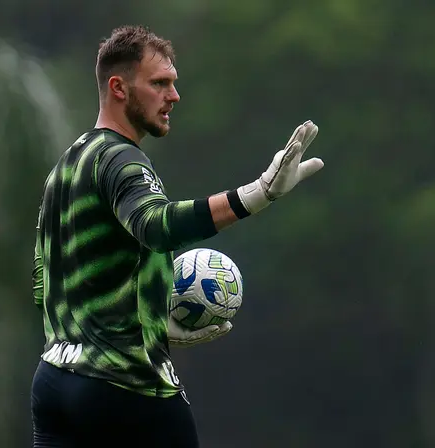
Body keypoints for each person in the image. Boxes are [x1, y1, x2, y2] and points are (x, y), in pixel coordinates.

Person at [30, 24, 324, 447]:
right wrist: (257, 194)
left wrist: (150, 324)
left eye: (173, 83)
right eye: (159, 84)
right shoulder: (123, 160)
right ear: (118, 87)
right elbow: (156, 226)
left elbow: (44, 284)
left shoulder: (66, 166)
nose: (173, 96)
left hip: (55, 385)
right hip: (123, 383)